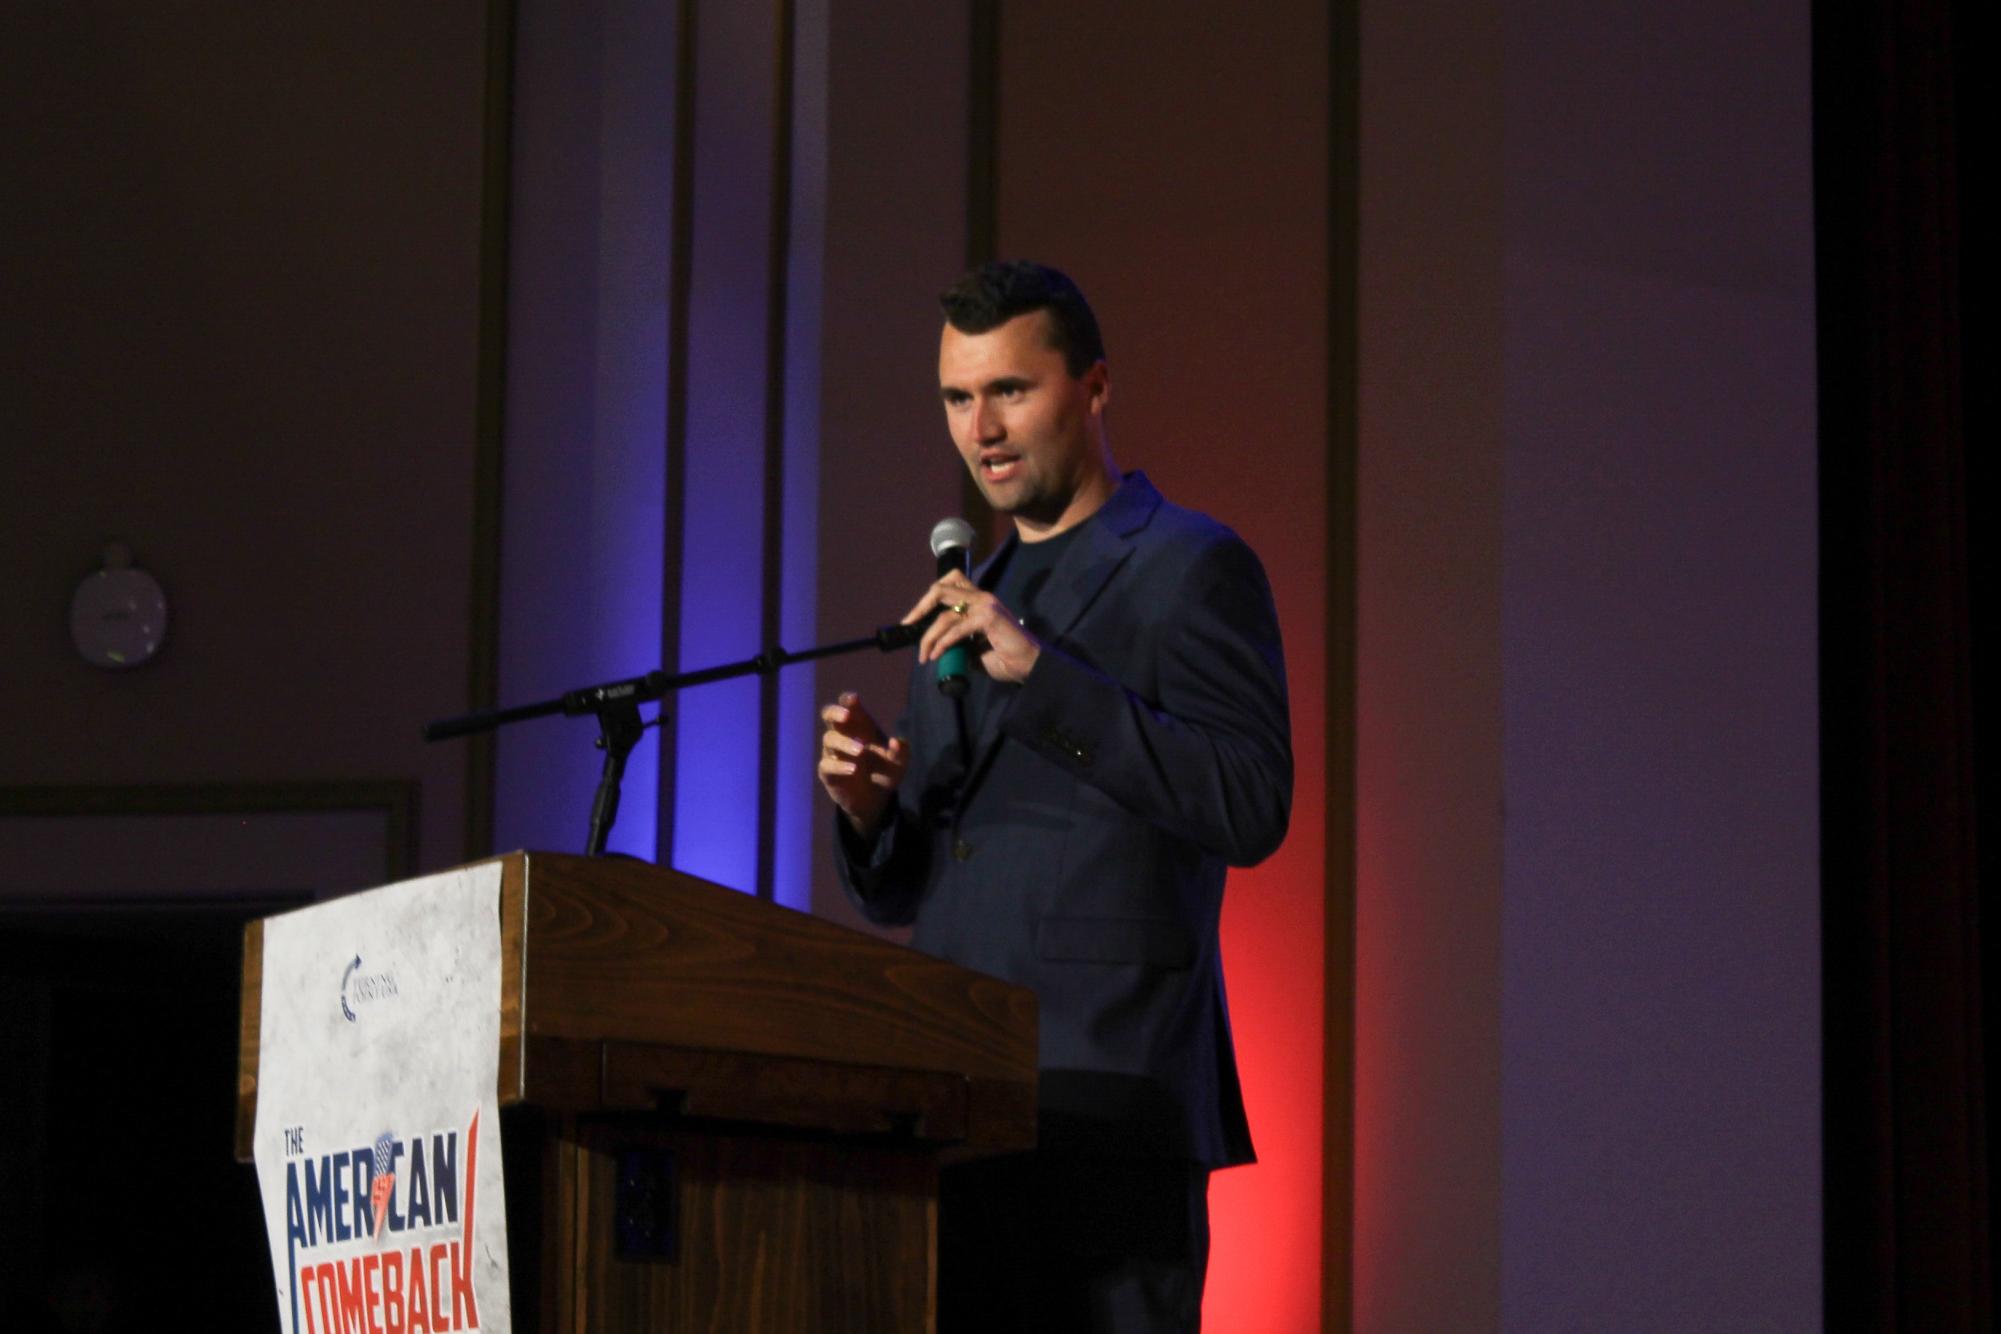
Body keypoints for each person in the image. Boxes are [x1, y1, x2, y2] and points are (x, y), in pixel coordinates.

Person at [817, 260, 1292, 1332]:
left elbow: (1251, 800)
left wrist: (1048, 682)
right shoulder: (965, 599)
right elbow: (911, 889)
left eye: (1009, 391)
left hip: (1111, 1106)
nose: (979, 429)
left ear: (1095, 387)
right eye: (956, 397)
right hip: (954, 1103)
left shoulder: (1190, 565)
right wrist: (874, 814)